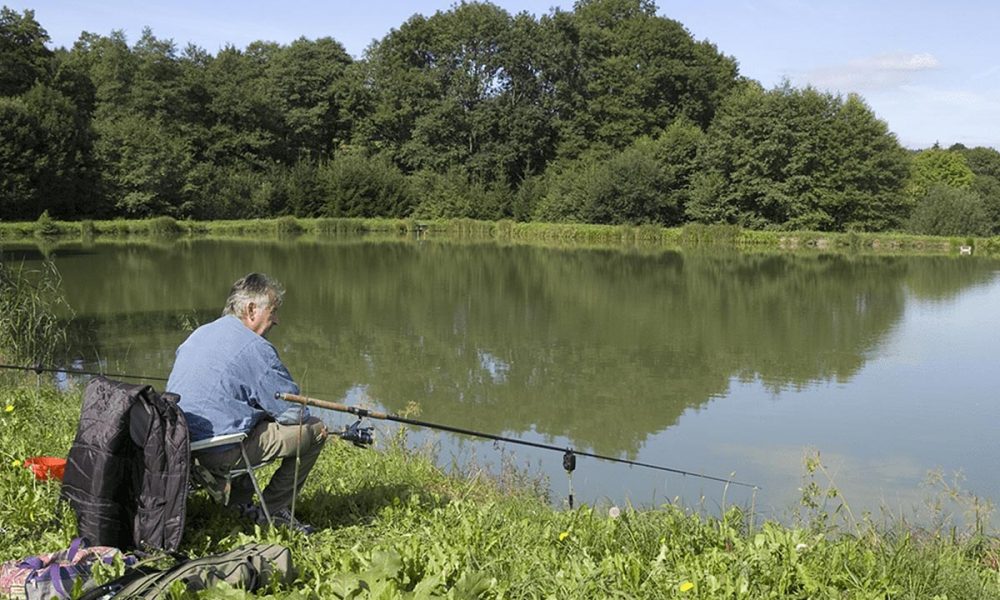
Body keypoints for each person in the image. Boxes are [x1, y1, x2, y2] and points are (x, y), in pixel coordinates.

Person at [167, 272, 327, 534]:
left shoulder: (199, 333)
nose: (277, 319)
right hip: (218, 450)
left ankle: (237, 504)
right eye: (273, 311)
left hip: (180, 447)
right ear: (252, 309)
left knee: (249, 418)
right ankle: (273, 512)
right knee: (314, 429)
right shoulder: (256, 347)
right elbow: (294, 413)